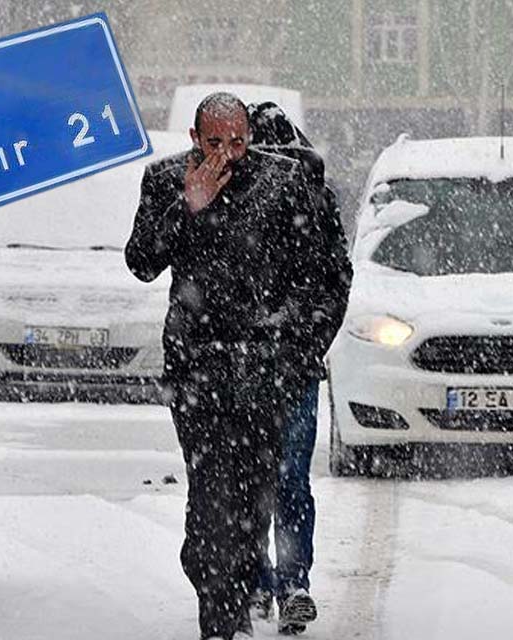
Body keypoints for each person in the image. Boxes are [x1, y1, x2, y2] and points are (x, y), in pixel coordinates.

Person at [125, 92, 350, 640]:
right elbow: (141, 261)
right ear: (195, 140)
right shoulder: (166, 181)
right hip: (198, 372)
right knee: (210, 496)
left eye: (238, 141)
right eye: (215, 142)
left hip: (267, 374)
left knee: (254, 499)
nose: (228, 154)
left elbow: (322, 275)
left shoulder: (283, 182)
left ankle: (239, 588)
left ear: (250, 137)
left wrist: (295, 347)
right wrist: (188, 207)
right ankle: (219, 614)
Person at [244, 101, 351, 636]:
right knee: (273, 479)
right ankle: (272, 581)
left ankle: (283, 582)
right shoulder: (309, 196)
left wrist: (304, 339)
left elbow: (334, 280)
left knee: (272, 477)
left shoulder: (307, 198)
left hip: (281, 365)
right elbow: (336, 281)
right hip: (268, 366)